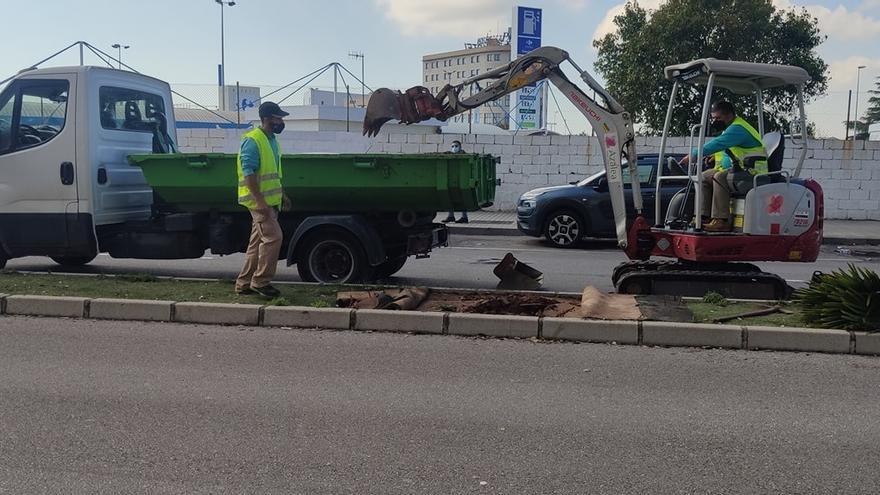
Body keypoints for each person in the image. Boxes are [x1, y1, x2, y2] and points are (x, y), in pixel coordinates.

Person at [678, 101, 766, 232]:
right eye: (713, 118)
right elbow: (730, 150)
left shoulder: (738, 128)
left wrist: (693, 155)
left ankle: (721, 220)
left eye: (718, 118)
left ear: (729, 115)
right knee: (703, 176)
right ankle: (702, 217)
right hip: (742, 168)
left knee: (719, 177)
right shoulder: (731, 128)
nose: (715, 121)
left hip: (754, 171)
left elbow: (718, 143)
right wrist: (713, 158)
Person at [234, 101, 292, 298]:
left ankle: (244, 283)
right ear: (267, 118)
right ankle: (261, 282)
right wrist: (260, 202)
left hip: (269, 201)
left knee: (255, 244)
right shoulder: (253, 140)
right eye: (278, 118)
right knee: (274, 237)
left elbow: (273, 173)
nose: (281, 121)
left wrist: (282, 195)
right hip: (259, 203)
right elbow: (248, 174)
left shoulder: (271, 141)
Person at [442, 140, 469, 224]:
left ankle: (464, 217)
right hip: (452, 180)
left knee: (462, 199)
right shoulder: (450, 155)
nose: (454, 148)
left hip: (461, 180)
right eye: (453, 146)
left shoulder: (464, 156)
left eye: (456, 146)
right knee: (450, 197)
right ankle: (451, 216)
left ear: (460, 147)